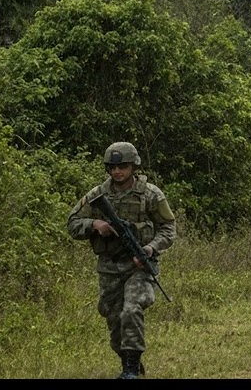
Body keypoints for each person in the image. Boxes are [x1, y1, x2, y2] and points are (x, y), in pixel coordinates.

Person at [67, 141, 177, 379]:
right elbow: (72, 223)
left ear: (133, 166)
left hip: (139, 265)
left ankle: (130, 369)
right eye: (112, 167)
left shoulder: (150, 194)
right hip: (109, 266)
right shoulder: (98, 194)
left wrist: (149, 248)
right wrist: (94, 225)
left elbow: (168, 229)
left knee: (131, 309)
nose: (117, 172)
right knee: (114, 318)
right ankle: (131, 362)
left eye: (123, 166)